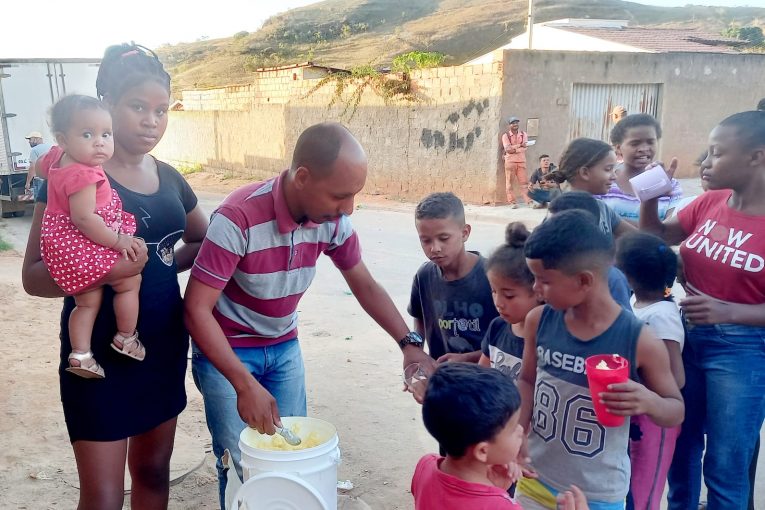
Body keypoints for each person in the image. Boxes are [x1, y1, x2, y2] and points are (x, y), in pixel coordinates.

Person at [184, 121, 437, 509]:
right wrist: (243, 384)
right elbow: (195, 309)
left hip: (284, 347)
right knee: (242, 463)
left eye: (354, 195)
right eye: (340, 195)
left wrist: (409, 343)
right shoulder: (238, 218)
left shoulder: (331, 222)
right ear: (302, 178)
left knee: (292, 459)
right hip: (227, 352)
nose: (348, 208)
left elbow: (365, 284)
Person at [22, 43, 208, 510]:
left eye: (161, 110)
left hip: (160, 347)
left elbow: (202, 240)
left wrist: (160, 263)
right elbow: (33, 277)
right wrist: (108, 273)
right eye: (138, 107)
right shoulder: (68, 179)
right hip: (94, 359)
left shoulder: (170, 178)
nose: (151, 121)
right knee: (103, 498)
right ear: (106, 102)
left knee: (153, 474)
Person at [515, 210, 684, 510]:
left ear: (583, 280)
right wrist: (517, 432)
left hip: (598, 494)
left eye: (543, 280)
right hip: (534, 478)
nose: (535, 289)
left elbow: (675, 410)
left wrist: (648, 401)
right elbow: (527, 380)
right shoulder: (538, 321)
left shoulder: (640, 341)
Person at [640, 110, 765, 510]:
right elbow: (657, 236)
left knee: (726, 464)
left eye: (717, 153)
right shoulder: (711, 201)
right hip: (685, 337)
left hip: (743, 350)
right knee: (680, 447)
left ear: (756, 157)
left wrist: (730, 313)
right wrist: (650, 198)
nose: (705, 163)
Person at [39, 95, 144, 379]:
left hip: (62, 242)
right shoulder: (84, 175)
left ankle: (81, 354)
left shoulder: (57, 157)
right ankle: (126, 337)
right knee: (130, 281)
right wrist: (118, 240)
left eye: (106, 134)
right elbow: (84, 219)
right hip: (82, 240)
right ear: (63, 139)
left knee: (86, 302)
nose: (99, 142)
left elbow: (40, 165)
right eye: (87, 135)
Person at [412, 362, 590, 510]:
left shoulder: (425, 466)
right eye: (513, 429)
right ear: (483, 451)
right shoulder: (503, 507)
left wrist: (496, 490)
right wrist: (499, 496)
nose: (521, 430)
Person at [615, 232, 684, 510]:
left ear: (628, 276)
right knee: (631, 487)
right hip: (639, 416)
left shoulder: (661, 316)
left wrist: (640, 383)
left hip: (657, 421)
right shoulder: (636, 304)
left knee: (645, 490)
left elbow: (677, 378)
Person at [409, 192, 498, 363]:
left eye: (444, 238)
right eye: (425, 241)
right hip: (441, 374)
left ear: (465, 233)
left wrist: (466, 359)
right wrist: (415, 353)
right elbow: (419, 319)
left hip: (485, 376)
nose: (435, 248)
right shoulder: (424, 276)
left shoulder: (492, 276)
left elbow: (509, 339)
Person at [478, 222, 542, 382]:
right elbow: (481, 378)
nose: (498, 303)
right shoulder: (497, 327)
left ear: (538, 291)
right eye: (494, 291)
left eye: (509, 296)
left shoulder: (546, 340)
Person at [547, 191, 632, 311]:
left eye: (556, 227)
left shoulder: (611, 278)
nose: (549, 232)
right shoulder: (547, 266)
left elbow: (622, 320)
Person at [600, 114, 683, 222]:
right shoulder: (605, 184)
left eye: (650, 142)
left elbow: (671, 228)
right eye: (635, 143)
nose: (644, 149)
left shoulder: (671, 185)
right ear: (619, 148)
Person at [548, 138, 636, 239]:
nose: (614, 176)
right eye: (608, 169)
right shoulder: (563, 219)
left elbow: (639, 238)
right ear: (585, 173)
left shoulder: (602, 208)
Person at [501, 117, 530, 208]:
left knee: (524, 183)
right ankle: (512, 202)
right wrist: (520, 146)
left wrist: (514, 148)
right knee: (510, 183)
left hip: (521, 161)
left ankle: (528, 201)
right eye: (513, 123)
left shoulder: (523, 134)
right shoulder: (506, 136)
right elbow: (508, 149)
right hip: (510, 162)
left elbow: (525, 147)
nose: (515, 124)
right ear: (509, 125)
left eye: (516, 122)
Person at [24, 131, 53, 201]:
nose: (29, 142)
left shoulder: (34, 150)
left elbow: (32, 167)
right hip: (52, 179)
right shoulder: (51, 147)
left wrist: (28, 183)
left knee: (40, 201)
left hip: (40, 180)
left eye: (30, 139)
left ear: (36, 139)